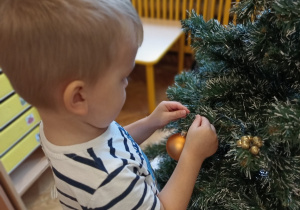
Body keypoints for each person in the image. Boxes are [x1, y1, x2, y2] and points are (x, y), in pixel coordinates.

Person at [0, 0, 218, 209]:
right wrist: (192, 155)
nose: (128, 83)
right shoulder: (107, 180)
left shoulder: (65, 128)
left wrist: (150, 123)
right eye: (123, 78)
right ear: (78, 98)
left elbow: (114, 144)